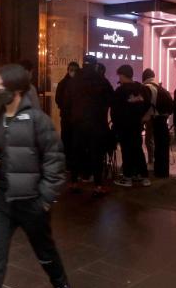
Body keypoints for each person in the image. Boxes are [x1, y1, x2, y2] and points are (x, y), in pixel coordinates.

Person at [0, 64, 73, 288]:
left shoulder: (38, 120)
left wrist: (45, 199)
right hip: (1, 198)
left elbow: (55, 160)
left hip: (31, 199)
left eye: (1, 86)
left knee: (44, 251)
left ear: (16, 89)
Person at [68, 56, 113, 195]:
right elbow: (111, 99)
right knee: (96, 154)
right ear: (95, 65)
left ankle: (74, 182)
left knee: (77, 153)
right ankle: (98, 185)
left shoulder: (74, 80)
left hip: (77, 123)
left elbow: (66, 101)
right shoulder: (101, 79)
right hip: (96, 123)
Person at [111, 65, 151, 188]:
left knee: (127, 151)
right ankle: (144, 177)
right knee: (138, 150)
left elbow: (115, 111)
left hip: (124, 127)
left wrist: (115, 125)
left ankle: (127, 177)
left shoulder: (120, 91)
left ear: (122, 75)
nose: (119, 78)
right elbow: (147, 105)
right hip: (137, 126)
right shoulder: (141, 89)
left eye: (119, 75)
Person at [142, 69, 171, 178]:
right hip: (162, 120)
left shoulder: (147, 88)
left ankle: (151, 161)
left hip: (153, 119)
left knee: (149, 140)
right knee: (161, 145)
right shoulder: (161, 88)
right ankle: (161, 170)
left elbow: (147, 105)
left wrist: (143, 118)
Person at [56, 62, 79, 185]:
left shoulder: (78, 83)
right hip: (66, 117)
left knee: (73, 141)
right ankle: (67, 164)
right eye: (71, 69)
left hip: (74, 118)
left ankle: (72, 164)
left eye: (74, 70)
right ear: (67, 70)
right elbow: (58, 99)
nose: (72, 72)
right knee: (66, 140)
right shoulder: (63, 83)